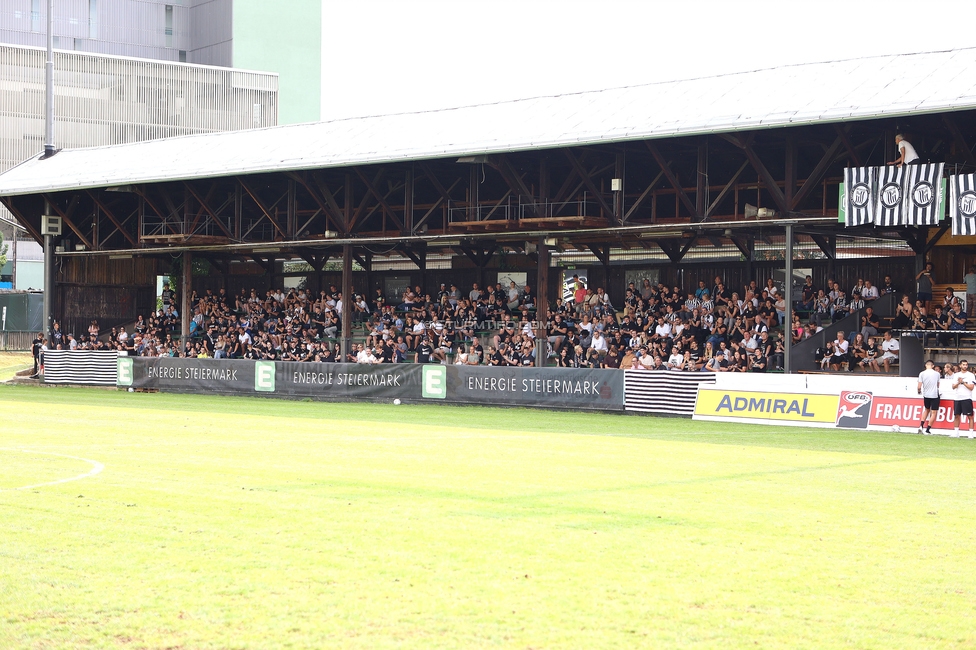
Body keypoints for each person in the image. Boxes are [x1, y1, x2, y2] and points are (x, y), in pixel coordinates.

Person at [951, 360, 976, 437]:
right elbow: (953, 387)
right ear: (960, 365)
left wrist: (963, 382)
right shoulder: (956, 375)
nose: (965, 366)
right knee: (956, 415)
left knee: (970, 416)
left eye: (966, 365)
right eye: (963, 364)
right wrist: (958, 382)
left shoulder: (971, 375)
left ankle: (971, 433)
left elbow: (971, 387)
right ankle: (956, 432)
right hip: (958, 398)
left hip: (967, 398)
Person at [917, 359, 942, 434]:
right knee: (934, 412)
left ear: (926, 365)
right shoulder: (937, 374)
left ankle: (921, 425)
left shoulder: (922, 373)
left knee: (926, 409)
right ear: (933, 366)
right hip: (934, 394)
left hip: (926, 394)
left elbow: (919, 386)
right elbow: (938, 385)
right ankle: (928, 429)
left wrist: (919, 391)